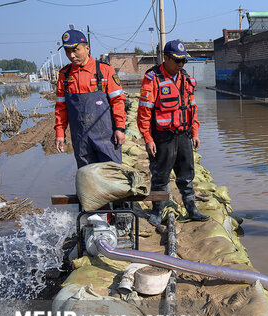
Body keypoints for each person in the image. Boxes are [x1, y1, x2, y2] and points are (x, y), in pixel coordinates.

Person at [137, 40, 209, 225]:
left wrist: (195, 133)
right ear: (165, 58)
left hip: (183, 134)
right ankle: (157, 210)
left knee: (186, 174)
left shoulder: (185, 79)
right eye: (177, 61)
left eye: (183, 61)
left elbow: (192, 108)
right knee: (160, 176)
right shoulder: (152, 79)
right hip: (162, 137)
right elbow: (144, 112)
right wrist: (148, 138)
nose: (180, 64)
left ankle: (191, 208)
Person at [54, 29, 126, 168]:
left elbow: (118, 101)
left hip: (107, 138)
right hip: (81, 140)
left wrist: (120, 128)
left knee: (111, 175)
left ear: (87, 48)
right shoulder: (64, 76)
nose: (72, 55)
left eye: (76, 50)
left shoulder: (104, 70)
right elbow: (61, 108)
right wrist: (60, 133)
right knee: (87, 178)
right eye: (68, 52)